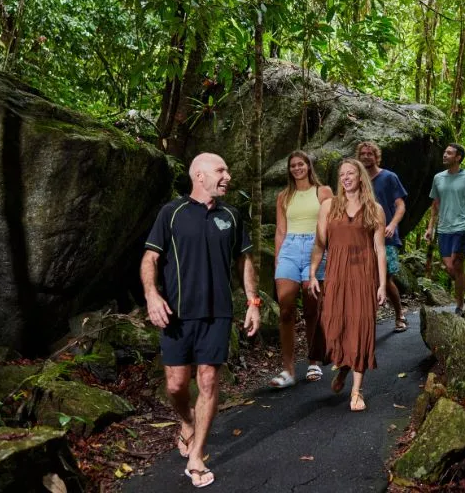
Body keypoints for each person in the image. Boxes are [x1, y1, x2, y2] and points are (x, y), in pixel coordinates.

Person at [141, 153, 260, 488]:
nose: (228, 176)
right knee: (176, 385)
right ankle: (187, 419)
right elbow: (150, 258)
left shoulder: (231, 216)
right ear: (199, 175)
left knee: (208, 381)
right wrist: (152, 295)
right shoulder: (171, 213)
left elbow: (244, 260)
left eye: (227, 170)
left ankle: (196, 456)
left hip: (218, 313)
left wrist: (253, 302)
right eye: (221, 170)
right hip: (177, 313)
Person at [308, 158, 387, 412]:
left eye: (350, 173)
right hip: (337, 274)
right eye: (342, 174)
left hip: (364, 274)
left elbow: (380, 249)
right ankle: (343, 367)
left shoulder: (375, 209)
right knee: (336, 327)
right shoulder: (329, 206)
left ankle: (356, 390)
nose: (345, 178)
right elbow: (320, 243)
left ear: (360, 176)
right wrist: (312, 273)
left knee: (361, 327)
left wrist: (382, 285)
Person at [270, 151, 334, 388]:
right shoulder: (284, 196)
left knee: (311, 307)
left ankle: (313, 361)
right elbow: (280, 230)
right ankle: (287, 370)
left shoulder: (323, 192)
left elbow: (332, 225)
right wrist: (278, 259)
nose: (297, 168)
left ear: (308, 166)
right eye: (293, 165)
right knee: (286, 308)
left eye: (301, 164)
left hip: (315, 249)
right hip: (289, 249)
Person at [424, 143, 465, 316]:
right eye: (445, 152)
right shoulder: (438, 178)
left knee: (457, 263)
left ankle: (459, 305)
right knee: (449, 268)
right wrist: (430, 227)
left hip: (463, 226)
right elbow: (435, 204)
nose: (444, 155)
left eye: (449, 153)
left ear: (458, 157)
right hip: (444, 228)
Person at [356, 141, 408, 332]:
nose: (366, 156)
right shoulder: (357, 180)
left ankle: (399, 313)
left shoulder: (389, 177)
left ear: (376, 156)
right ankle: (367, 320)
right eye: (363, 154)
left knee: (385, 278)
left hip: (386, 237)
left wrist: (392, 224)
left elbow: (400, 205)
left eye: (370, 153)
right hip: (363, 237)